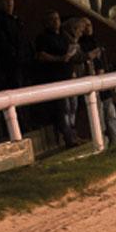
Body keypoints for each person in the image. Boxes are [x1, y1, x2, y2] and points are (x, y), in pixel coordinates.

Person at [33, 10, 81, 148]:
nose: (56, 22)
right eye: (53, 19)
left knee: (73, 106)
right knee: (64, 108)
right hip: (56, 77)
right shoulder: (43, 38)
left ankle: (74, 133)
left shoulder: (63, 36)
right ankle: (68, 137)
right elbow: (42, 55)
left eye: (58, 19)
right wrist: (60, 59)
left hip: (68, 75)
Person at [73, 18, 116, 145]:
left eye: (90, 25)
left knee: (111, 113)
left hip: (105, 81)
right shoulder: (80, 44)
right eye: (86, 25)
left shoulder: (97, 41)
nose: (89, 27)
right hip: (93, 82)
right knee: (99, 115)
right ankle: (103, 143)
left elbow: (105, 61)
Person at [0, 0, 25, 89]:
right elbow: (2, 42)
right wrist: (14, 54)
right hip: (10, 62)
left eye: (11, 0)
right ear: (0, 3)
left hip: (22, 59)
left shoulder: (16, 19)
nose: (10, 3)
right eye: (6, 0)